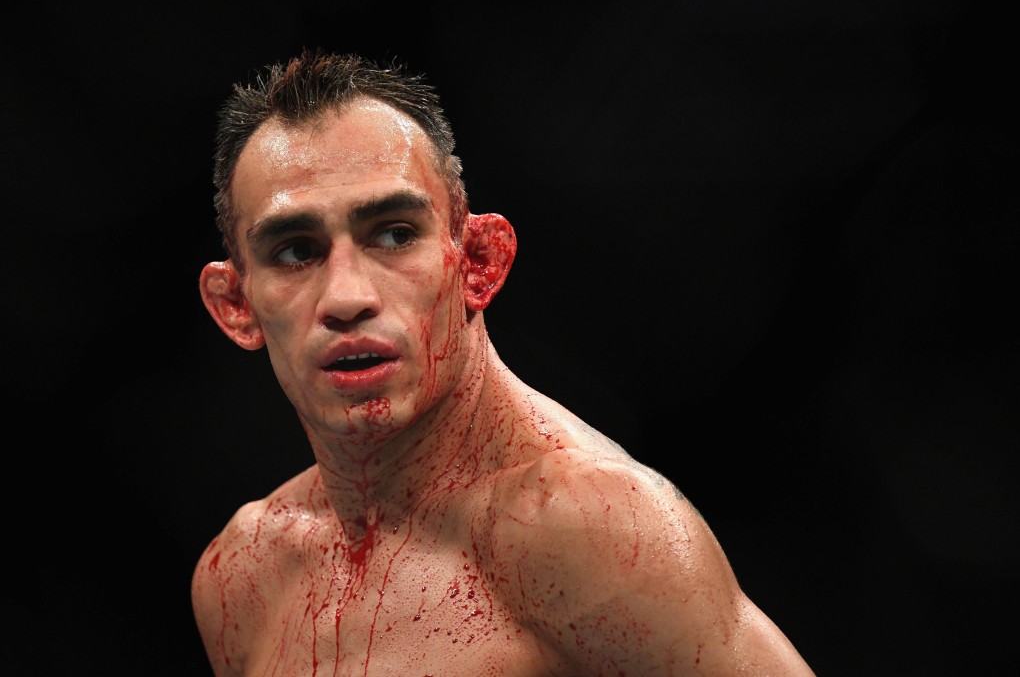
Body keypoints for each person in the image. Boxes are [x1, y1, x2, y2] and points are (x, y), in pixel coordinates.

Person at [192, 48, 816, 677]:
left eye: (394, 233)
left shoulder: (589, 529)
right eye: (296, 250)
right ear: (236, 305)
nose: (348, 297)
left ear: (479, 264)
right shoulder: (244, 575)